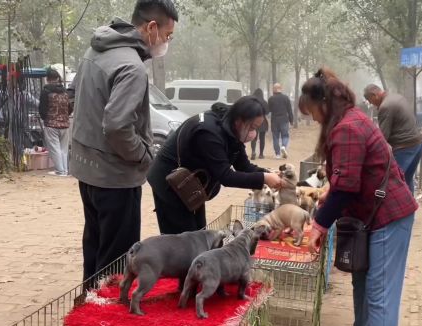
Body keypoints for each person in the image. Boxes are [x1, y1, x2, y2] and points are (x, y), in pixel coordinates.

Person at [302, 69, 418, 326]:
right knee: (362, 281)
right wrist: (331, 186)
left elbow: (347, 188)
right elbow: (346, 176)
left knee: (380, 296)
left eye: (312, 111)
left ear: (325, 104)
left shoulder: (347, 128)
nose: (313, 118)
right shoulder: (348, 120)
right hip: (369, 216)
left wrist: (318, 225)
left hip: (389, 217)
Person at [67, 0, 178, 283]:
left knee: (94, 246)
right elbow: (117, 126)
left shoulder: (96, 49)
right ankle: (102, 317)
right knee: (116, 262)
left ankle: (87, 306)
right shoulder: (131, 67)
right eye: (167, 36)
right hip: (116, 177)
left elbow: (76, 99)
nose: (166, 43)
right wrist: (144, 155)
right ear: (151, 27)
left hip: (87, 171)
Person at [147, 96, 283, 234]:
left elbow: (243, 166)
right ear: (240, 121)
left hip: (192, 185)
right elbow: (226, 176)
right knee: (181, 238)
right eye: (253, 127)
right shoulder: (208, 133)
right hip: (171, 183)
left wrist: (268, 173)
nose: (254, 133)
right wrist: (264, 178)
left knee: (199, 232)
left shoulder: (232, 131)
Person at [364, 84, 422, 194]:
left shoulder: (385, 106)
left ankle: (393, 210)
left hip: (404, 148)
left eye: (371, 101)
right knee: (406, 180)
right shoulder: (397, 97)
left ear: (374, 95)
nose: (373, 105)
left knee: (393, 183)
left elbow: (383, 138)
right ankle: (409, 211)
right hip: (417, 145)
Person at [39, 68, 71, 176]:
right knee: (64, 149)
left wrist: (45, 119)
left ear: (47, 79)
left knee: (55, 148)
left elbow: (42, 109)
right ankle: (65, 170)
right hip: (65, 124)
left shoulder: (46, 91)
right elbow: (70, 107)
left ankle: (60, 170)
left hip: (51, 124)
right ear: (58, 78)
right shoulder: (65, 91)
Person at [268, 83, 293, 159]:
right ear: (280, 89)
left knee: (275, 137)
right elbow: (289, 110)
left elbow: (269, 110)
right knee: (285, 135)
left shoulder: (271, 99)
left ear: (274, 89)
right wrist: (291, 120)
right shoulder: (286, 98)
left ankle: (277, 154)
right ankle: (283, 146)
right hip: (284, 119)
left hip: (274, 120)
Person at [250, 88, 269, 160]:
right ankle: (261, 154)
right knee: (262, 138)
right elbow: (267, 112)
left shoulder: (252, 102)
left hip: (253, 121)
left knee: (253, 138)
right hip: (263, 121)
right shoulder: (264, 102)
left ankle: (253, 151)